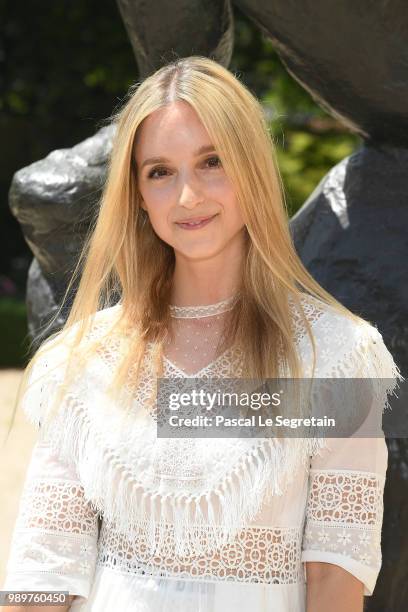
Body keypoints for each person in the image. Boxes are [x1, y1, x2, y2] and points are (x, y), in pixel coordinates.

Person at [2, 56, 403, 612]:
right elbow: (42, 571)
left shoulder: (337, 356)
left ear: (253, 169)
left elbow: (336, 577)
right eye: (160, 171)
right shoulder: (83, 359)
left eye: (212, 162)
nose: (188, 196)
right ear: (138, 194)